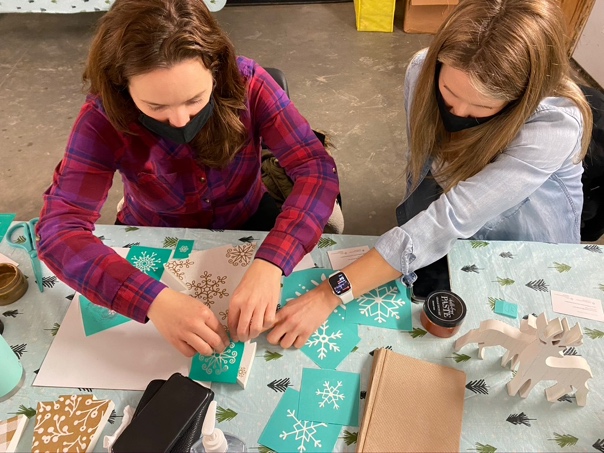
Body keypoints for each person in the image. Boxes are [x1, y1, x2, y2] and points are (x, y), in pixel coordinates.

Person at [266, 0, 593, 349]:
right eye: (449, 93)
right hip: (450, 227)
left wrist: (330, 293)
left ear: (521, 97)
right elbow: (427, 171)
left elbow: (451, 217)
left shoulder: (554, 123)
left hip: (522, 239)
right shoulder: (422, 70)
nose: (460, 112)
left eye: (483, 107)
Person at [36, 0, 339, 357]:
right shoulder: (101, 118)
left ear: (215, 68)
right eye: (155, 107)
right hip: (152, 230)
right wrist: (153, 301)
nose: (180, 120)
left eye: (195, 99)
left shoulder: (250, 85)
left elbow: (315, 168)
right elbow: (58, 229)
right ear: (122, 86)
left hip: (251, 219)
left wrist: (273, 261)